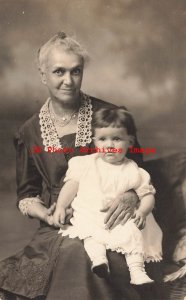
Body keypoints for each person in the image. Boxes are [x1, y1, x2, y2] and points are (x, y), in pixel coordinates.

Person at [0, 32, 163, 300]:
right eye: (58, 72)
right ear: (43, 75)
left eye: (76, 71)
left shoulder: (110, 116)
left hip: (115, 219)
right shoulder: (29, 132)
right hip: (59, 225)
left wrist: (130, 197)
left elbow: (141, 172)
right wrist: (47, 214)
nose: (68, 81)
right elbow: (27, 194)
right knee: (75, 252)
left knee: (104, 258)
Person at [54, 107, 163, 285]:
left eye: (117, 139)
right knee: (90, 235)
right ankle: (99, 261)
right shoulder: (85, 164)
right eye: (103, 139)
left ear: (130, 141)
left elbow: (148, 195)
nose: (109, 146)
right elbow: (71, 185)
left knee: (133, 233)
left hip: (122, 218)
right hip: (90, 214)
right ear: (94, 141)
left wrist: (142, 212)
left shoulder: (134, 170)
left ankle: (137, 271)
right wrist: (61, 206)